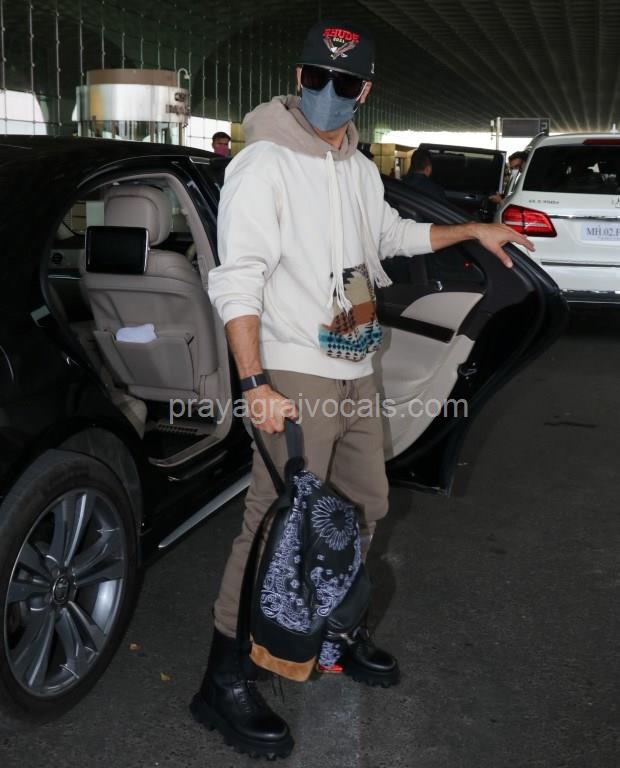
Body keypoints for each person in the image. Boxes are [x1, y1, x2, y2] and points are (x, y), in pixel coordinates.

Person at [191, 19, 535, 760]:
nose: (327, 91)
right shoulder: (263, 163)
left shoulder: (355, 166)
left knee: (364, 507)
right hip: (295, 371)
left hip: (357, 362)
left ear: (364, 92)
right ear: (299, 77)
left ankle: (334, 633)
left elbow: (387, 237)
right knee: (273, 523)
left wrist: (472, 231)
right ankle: (223, 678)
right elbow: (237, 277)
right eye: (316, 76)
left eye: (344, 81)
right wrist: (254, 381)